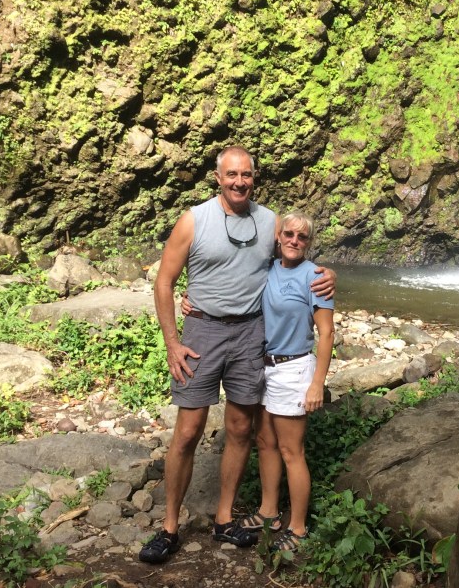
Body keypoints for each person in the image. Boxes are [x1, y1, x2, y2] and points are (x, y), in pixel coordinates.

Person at [139, 146, 335, 565]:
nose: (239, 181)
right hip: (203, 331)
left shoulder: (270, 222)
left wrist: (328, 275)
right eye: (231, 174)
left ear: (255, 177)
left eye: (246, 174)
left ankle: (224, 517)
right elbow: (164, 281)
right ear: (218, 177)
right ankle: (169, 526)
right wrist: (172, 341)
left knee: (241, 427)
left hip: (251, 333)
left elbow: (298, 252)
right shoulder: (194, 220)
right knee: (188, 430)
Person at [237, 212, 335, 553]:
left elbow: (326, 333)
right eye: (289, 234)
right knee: (264, 441)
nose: (295, 241)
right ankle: (268, 512)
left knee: (291, 451)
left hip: (294, 369)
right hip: (263, 367)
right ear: (278, 236)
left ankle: (298, 527)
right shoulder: (268, 268)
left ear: (309, 243)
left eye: (302, 237)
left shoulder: (316, 278)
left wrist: (317, 384)